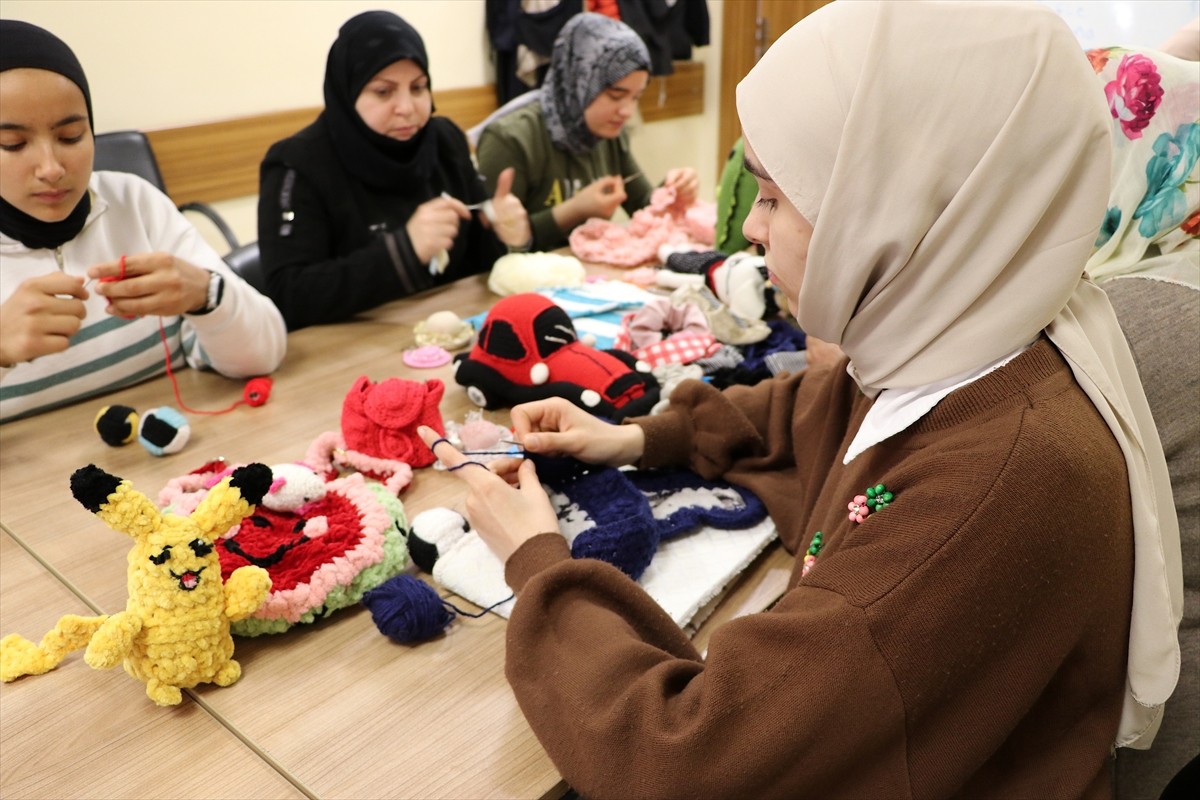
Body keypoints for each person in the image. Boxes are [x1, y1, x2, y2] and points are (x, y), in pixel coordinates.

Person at [419, 2, 1184, 797]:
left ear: (895, 207)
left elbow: (685, 760)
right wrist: (634, 439)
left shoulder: (994, 486)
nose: (749, 226)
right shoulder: (964, 342)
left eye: (777, 198)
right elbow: (814, 408)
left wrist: (536, 562)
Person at [0, 20, 286, 424]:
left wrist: (206, 295)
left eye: (71, 137)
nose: (51, 169)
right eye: (12, 144)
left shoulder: (133, 202)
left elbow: (265, 353)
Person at [257, 11, 532, 331]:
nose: (407, 108)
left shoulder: (444, 141)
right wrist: (403, 251)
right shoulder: (297, 163)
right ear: (347, 92)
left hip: (445, 336)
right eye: (383, 92)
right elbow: (289, 296)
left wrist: (509, 236)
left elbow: (477, 266)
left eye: (418, 88)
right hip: (346, 354)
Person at [474, 12, 700, 252]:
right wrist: (574, 211)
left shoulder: (609, 133)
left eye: (636, 97)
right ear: (579, 80)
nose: (627, 111)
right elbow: (493, 251)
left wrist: (672, 191)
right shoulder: (510, 139)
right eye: (616, 95)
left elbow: (643, 208)